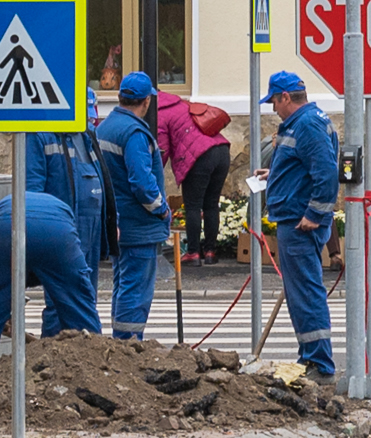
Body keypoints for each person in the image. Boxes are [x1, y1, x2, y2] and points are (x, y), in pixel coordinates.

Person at [0, 191, 101, 376]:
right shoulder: (60, 209)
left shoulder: (2, 210)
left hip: (6, 226)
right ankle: (93, 372)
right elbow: (69, 282)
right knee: (78, 304)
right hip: (56, 232)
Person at [262, 71, 338, 379]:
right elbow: (305, 167)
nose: (272, 109)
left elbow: (327, 173)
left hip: (298, 223)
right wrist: (274, 175)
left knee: (305, 294)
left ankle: (319, 362)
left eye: (273, 102)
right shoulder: (307, 121)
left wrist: (314, 215)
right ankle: (311, 357)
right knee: (301, 293)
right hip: (296, 219)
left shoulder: (306, 124)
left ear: (285, 98)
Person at [91, 73, 172, 339]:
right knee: (135, 290)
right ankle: (129, 345)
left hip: (117, 223)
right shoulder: (135, 133)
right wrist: (162, 209)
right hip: (139, 226)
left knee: (123, 284)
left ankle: (121, 344)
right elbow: (142, 184)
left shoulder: (104, 127)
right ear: (146, 101)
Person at [25, 117, 108, 271]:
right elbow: (32, 193)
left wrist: (112, 220)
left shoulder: (88, 133)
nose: (90, 119)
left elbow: (104, 178)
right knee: (66, 288)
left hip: (92, 227)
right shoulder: (40, 135)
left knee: (87, 289)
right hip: (60, 229)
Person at [157, 90, 230, 264]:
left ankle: (193, 253)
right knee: (211, 204)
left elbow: (162, 149)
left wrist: (154, 172)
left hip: (199, 157)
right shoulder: (181, 103)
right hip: (221, 151)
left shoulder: (159, 112)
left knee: (193, 206)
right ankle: (211, 251)